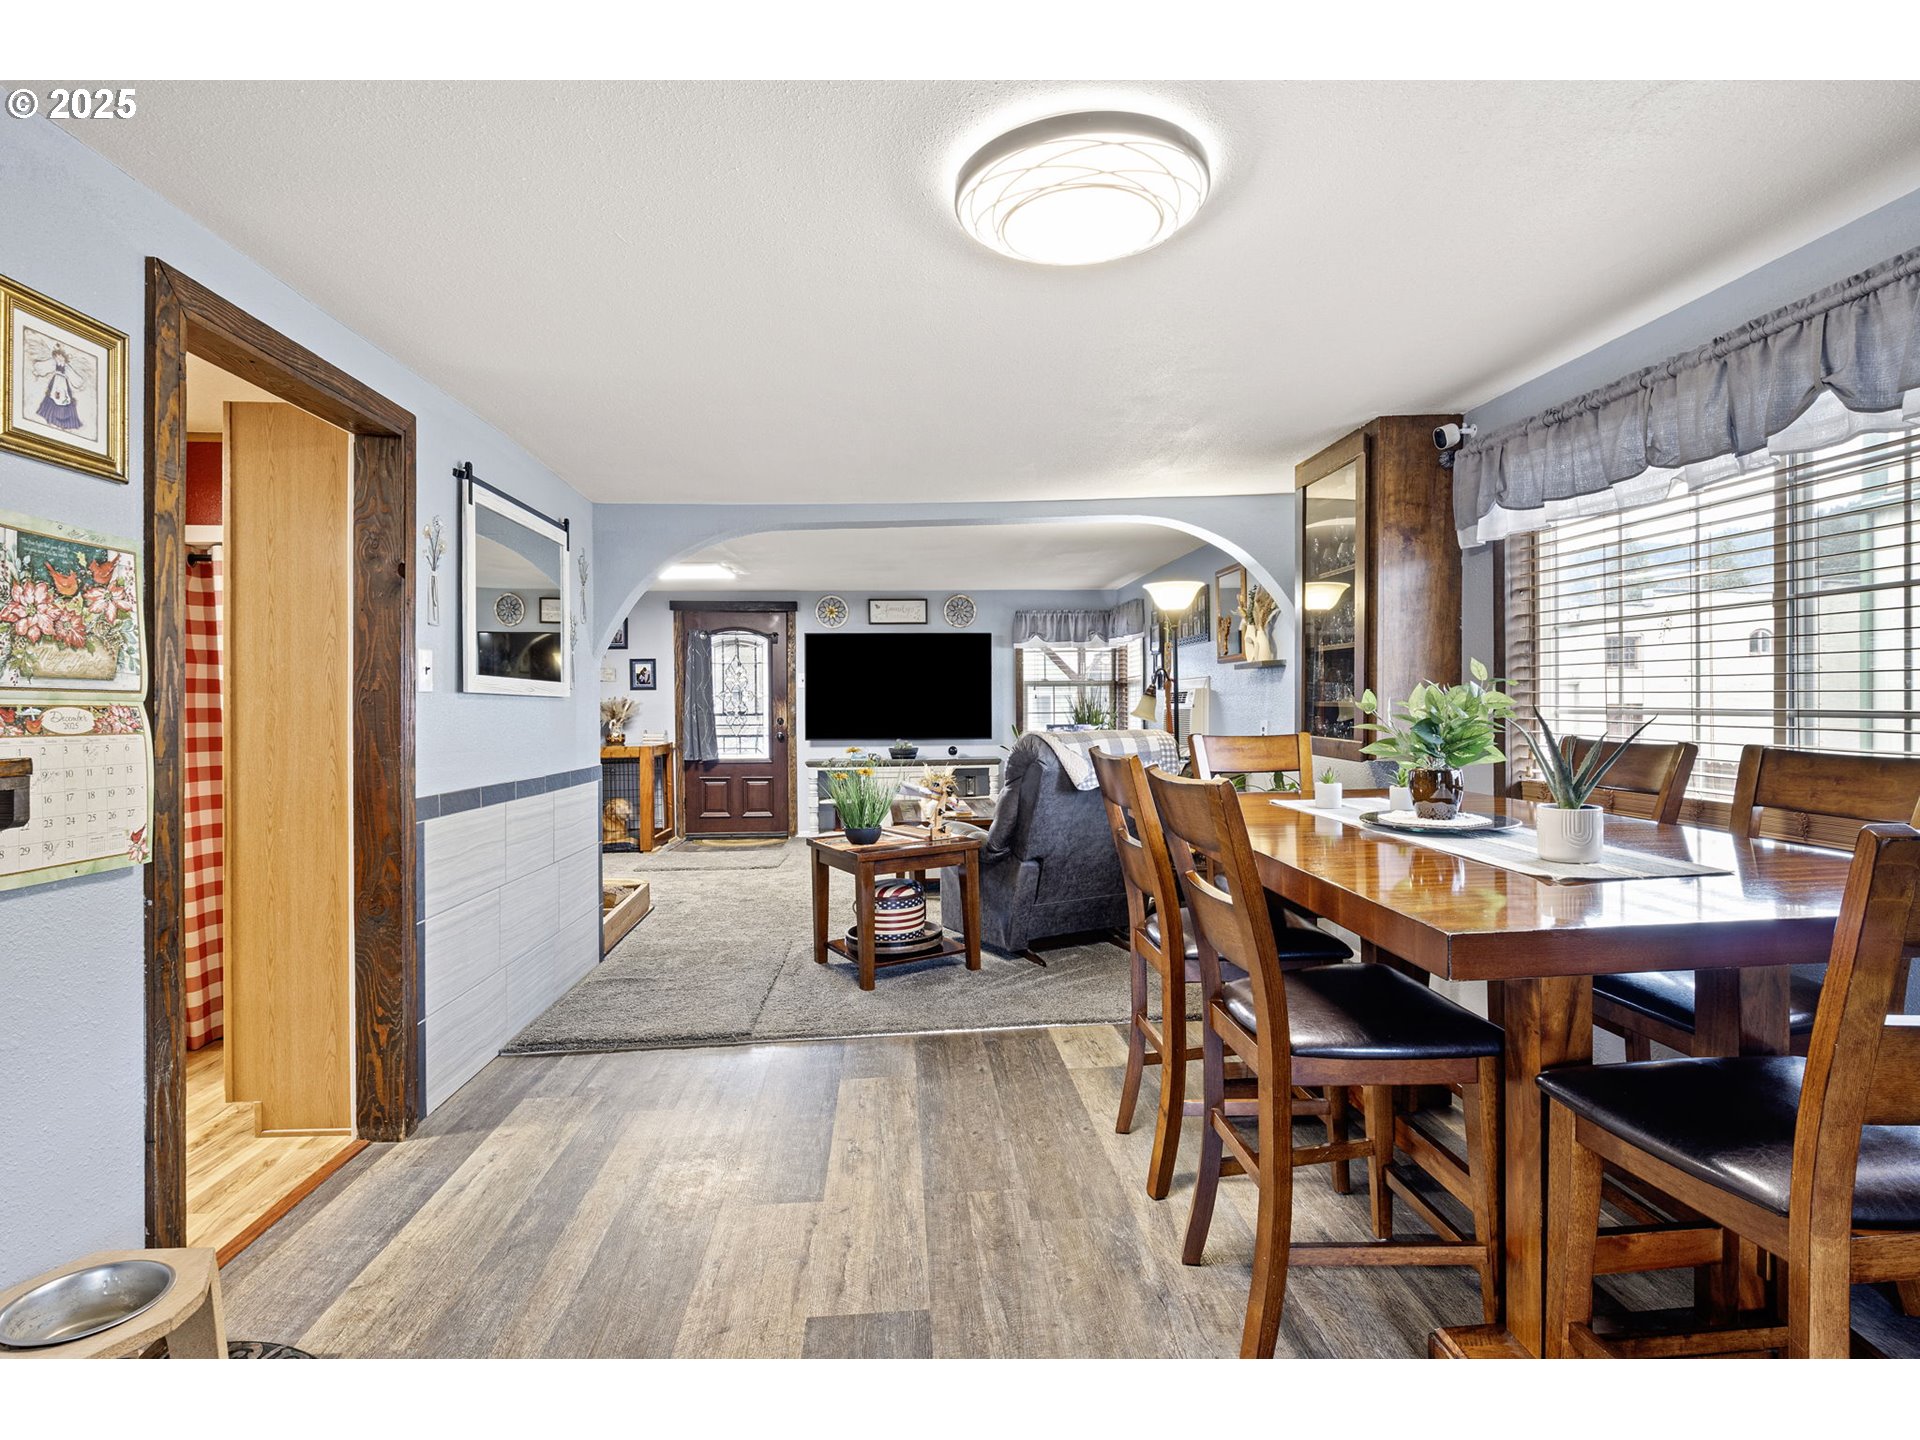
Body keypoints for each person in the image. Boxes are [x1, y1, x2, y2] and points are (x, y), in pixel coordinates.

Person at [34, 344, 84, 432]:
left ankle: (64, 421)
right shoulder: (53, 362)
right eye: (57, 356)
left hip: (63, 384)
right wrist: (38, 371)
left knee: (64, 399)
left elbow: (74, 377)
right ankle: (52, 418)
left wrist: (78, 383)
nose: (58, 358)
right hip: (56, 382)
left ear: (64, 357)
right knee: (54, 397)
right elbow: (45, 366)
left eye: (60, 356)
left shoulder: (67, 367)